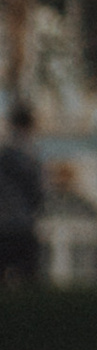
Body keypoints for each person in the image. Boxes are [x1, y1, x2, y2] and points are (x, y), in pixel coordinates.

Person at [0, 104, 45, 292]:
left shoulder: (5, 153)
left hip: (4, 226)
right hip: (23, 227)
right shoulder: (32, 156)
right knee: (29, 284)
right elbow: (38, 194)